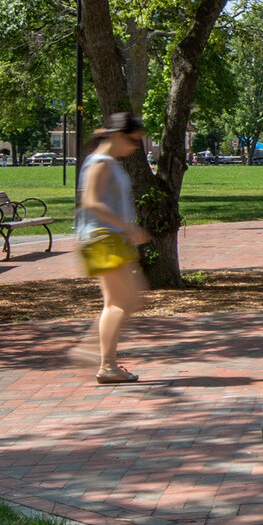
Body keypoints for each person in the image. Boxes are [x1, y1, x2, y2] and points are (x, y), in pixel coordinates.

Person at [75, 112, 152, 385]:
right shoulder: (100, 162)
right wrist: (130, 227)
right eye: (133, 141)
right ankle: (105, 364)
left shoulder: (107, 161)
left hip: (110, 238)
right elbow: (91, 202)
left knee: (126, 300)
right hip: (103, 238)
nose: (135, 148)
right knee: (122, 301)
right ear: (119, 135)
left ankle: (98, 353)